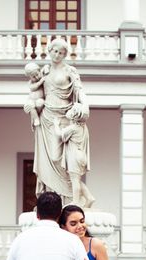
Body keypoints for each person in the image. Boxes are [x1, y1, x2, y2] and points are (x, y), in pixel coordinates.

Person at [24, 38, 95, 207]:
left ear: (65, 54)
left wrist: (85, 105)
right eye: (55, 51)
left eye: (61, 52)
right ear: (49, 50)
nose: (58, 55)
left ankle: (73, 197)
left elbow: (79, 91)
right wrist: (31, 105)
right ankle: (55, 201)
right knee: (48, 160)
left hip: (65, 118)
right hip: (47, 118)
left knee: (61, 161)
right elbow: (36, 93)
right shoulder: (44, 72)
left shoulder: (70, 71)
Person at [53, 104, 95, 208]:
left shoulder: (73, 128)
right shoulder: (83, 127)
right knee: (77, 179)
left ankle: (75, 202)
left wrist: (56, 125)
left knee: (74, 180)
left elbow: (59, 135)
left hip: (74, 155)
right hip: (81, 155)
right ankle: (89, 197)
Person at [24, 62, 47, 129]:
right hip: (31, 100)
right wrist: (40, 82)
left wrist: (46, 67)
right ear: (30, 77)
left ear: (39, 71)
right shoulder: (31, 83)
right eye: (33, 77)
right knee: (30, 105)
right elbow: (33, 87)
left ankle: (38, 116)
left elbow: (45, 68)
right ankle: (36, 118)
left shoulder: (42, 76)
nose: (36, 77)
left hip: (40, 100)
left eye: (37, 74)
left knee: (40, 103)